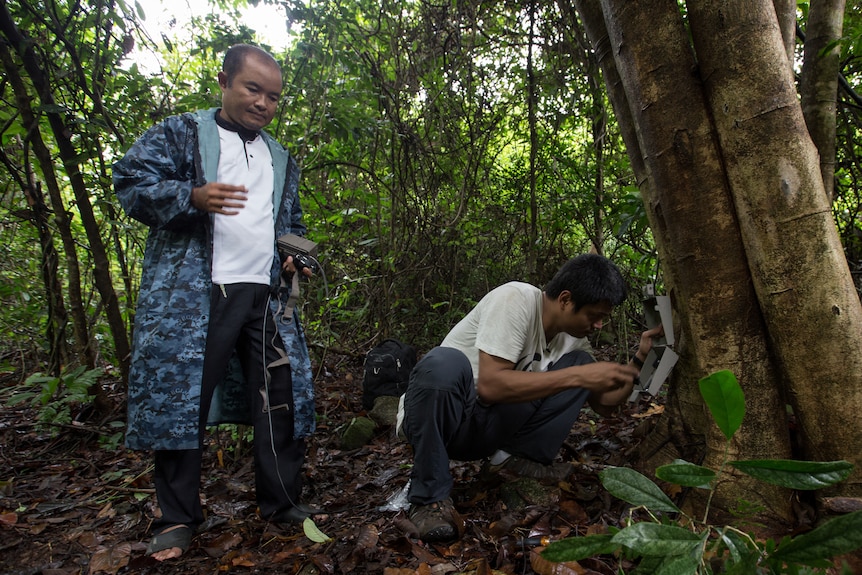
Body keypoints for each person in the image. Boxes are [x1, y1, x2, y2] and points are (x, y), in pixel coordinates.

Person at [114, 44, 319, 561]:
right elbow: (130, 182)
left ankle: (281, 505)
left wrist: (298, 258)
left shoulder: (279, 154)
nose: (263, 104)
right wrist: (191, 197)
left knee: (281, 395)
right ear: (224, 81)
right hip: (195, 297)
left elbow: (290, 225)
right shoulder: (180, 133)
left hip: (264, 298)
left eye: (273, 96)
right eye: (253, 89)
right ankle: (177, 519)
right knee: (181, 402)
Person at [396, 254, 664, 542]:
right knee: (443, 362)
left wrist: (640, 358)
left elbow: (606, 405)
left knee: (580, 363)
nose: (599, 325)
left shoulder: (572, 341)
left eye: (603, 318)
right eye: (594, 316)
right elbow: (490, 386)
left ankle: (515, 460)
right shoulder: (515, 299)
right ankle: (427, 499)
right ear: (565, 299)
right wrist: (578, 377)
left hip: (487, 429)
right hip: (446, 423)